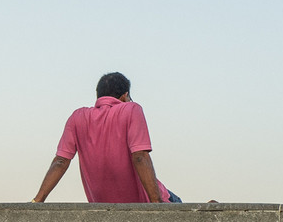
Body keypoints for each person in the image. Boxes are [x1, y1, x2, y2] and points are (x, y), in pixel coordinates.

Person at [32, 72, 180, 204]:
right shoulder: (131, 109)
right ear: (125, 95)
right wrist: (156, 203)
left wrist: (37, 200)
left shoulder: (77, 117)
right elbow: (140, 156)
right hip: (145, 200)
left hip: (103, 205)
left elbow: (60, 161)